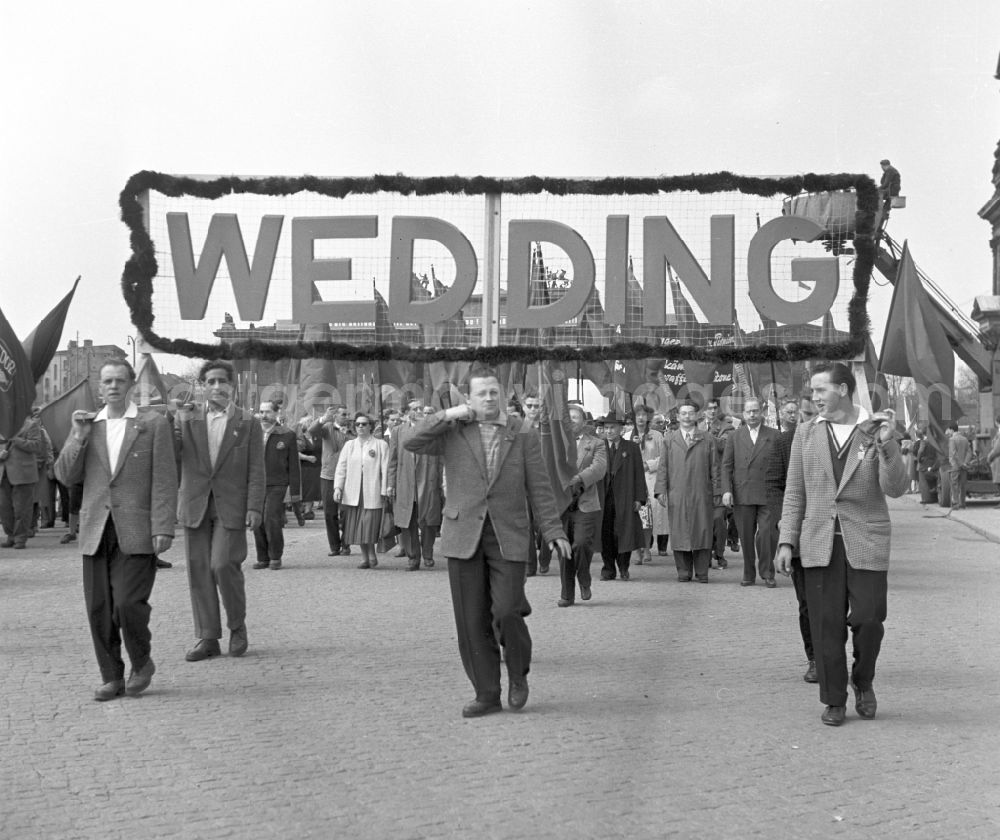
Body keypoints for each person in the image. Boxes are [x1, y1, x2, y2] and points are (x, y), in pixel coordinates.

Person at [403, 366, 570, 717]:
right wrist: (449, 414)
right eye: (482, 393)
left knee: (508, 609)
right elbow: (411, 441)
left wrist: (553, 531)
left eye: (494, 392)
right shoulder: (453, 431)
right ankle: (487, 693)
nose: (489, 398)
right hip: (463, 534)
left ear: (502, 393)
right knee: (471, 620)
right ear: (469, 397)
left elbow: (539, 487)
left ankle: (518, 674)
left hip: (508, 534)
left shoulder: (522, 432)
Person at [776, 362, 909, 727]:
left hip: (866, 539)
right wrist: (787, 540)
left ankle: (862, 681)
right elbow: (795, 493)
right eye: (813, 391)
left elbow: (895, 488)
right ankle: (834, 699)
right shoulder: (805, 434)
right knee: (825, 624)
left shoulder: (874, 429)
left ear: (844, 390)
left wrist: (887, 445)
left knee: (869, 619)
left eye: (821, 390)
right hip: (818, 542)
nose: (814, 397)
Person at [55, 359, 177, 701]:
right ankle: (111, 676)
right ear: (99, 387)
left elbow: (166, 480)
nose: (113, 387)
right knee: (98, 608)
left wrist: (163, 525)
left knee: (127, 602)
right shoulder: (87, 426)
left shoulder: (153, 424)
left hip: (137, 528)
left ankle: (142, 662)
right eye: (107, 381)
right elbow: (65, 476)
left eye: (119, 381)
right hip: (96, 528)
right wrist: (77, 438)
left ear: (130, 386)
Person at [174, 360, 265, 663]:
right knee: (199, 570)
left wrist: (254, 506)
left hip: (231, 505)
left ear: (232, 385)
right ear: (202, 386)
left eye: (222, 381)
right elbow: (170, 454)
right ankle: (208, 636)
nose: (216, 387)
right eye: (210, 382)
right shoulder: (187, 418)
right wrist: (175, 419)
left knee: (223, 564)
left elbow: (256, 468)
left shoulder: (247, 422)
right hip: (195, 503)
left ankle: (237, 626)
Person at [766, 398, 816, 683]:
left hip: (835, 534)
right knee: (807, 602)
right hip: (799, 532)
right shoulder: (786, 442)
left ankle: (835, 653)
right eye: (805, 414)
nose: (808, 418)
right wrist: (782, 520)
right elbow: (773, 485)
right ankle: (815, 658)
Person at [654, 400, 720, 582]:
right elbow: (663, 467)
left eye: (690, 413)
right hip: (678, 492)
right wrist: (661, 490)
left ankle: (702, 572)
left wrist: (717, 491)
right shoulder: (669, 439)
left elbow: (715, 467)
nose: (687, 417)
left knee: (702, 530)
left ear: (697, 415)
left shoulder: (707, 438)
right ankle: (683, 571)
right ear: (678, 417)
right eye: (683, 413)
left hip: (701, 492)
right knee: (679, 530)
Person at [722, 397, 780, 587]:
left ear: (762, 412)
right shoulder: (734, 436)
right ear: (743, 414)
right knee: (746, 536)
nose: (752, 415)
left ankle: (767, 571)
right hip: (743, 492)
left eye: (756, 411)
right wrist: (726, 491)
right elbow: (726, 466)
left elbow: (782, 465)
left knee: (767, 534)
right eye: (749, 411)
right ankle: (748, 573)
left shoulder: (774, 435)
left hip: (768, 493)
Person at [553, 403, 607, 606]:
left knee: (582, 543)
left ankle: (584, 577)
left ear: (583, 422)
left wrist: (576, 479)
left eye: (575, 417)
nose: (571, 421)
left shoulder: (596, 443)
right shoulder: (553, 444)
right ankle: (567, 594)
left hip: (585, 502)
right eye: (568, 417)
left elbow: (599, 468)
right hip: (560, 505)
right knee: (563, 549)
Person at [386, 399, 443, 570]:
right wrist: (390, 484)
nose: (418, 411)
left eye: (421, 408)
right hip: (406, 483)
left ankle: (427, 553)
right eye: (415, 408)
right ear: (406, 413)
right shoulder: (398, 432)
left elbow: (441, 459)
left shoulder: (434, 431)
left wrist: (440, 483)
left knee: (429, 522)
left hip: (428, 481)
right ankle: (413, 557)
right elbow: (393, 460)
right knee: (408, 521)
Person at [333, 412, 389, 570]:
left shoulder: (380, 445)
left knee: (368, 525)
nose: (360, 427)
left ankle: (372, 553)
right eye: (357, 424)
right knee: (357, 526)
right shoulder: (349, 445)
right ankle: (365, 557)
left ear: (370, 426)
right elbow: (341, 468)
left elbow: (385, 468)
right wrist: (338, 487)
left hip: (372, 491)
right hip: (353, 492)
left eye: (364, 424)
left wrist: (385, 489)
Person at [252, 401, 300, 571]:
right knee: (256, 521)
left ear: (276, 413)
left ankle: (275, 556)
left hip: (278, 483)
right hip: (256, 484)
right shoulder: (253, 433)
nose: (263, 415)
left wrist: (295, 491)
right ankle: (262, 557)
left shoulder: (287, 434)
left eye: (267, 412)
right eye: (261, 412)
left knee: (270, 519)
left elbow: (294, 464)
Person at [599, 414, 646, 581]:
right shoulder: (599, 446)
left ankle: (624, 567)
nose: (609, 431)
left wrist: (639, 498)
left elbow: (639, 474)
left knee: (624, 532)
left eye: (612, 427)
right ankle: (608, 568)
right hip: (603, 497)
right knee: (605, 533)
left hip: (625, 496)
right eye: (606, 428)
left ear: (621, 429)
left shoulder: (631, 448)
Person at [309, 405, 352, 556]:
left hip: (348, 477)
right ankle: (335, 546)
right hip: (328, 475)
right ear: (335, 416)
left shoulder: (353, 430)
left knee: (346, 512)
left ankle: (346, 543)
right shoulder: (327, 428)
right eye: (343, 414)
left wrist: (347, 435)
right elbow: (312, 430)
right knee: (329, 513)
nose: (346, 417)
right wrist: (322, 419)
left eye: (347, 414)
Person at [0, 408, 44, 549]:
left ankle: (20, 538)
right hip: (3, 473)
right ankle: (10, 535)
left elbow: (36, 446)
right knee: (4, 508)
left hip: (23, 474)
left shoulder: (31, 424)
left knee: (22, 509)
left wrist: (15, 439)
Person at [700, 398, 735, 568]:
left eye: (715, 408)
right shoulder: (696, 427)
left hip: (719, 483)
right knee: (704, 521)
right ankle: (705, 553)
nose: (712, 411)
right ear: (703, 410)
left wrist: (708, 436)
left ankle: (719, 553)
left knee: (718, 520)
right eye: (709, 408)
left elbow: (726, 446)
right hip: (700, 482)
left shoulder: (726, 427)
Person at [634, 406, 666, 565]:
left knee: (647, 516)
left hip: (650, 478)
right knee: (635, 516)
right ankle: (636, 549)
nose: (640, 418)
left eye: (643, 415)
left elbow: (664, 457)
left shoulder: (657, 436)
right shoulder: (628, 435)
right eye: (637, 415)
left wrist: (649, 465)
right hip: (633, 479)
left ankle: (646, 547)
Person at [946, 422, 972, 510]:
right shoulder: (965, 439)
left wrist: (960, 463)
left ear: (952, 430)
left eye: (948, 429)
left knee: (954, 484)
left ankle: (956, 503)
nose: (948, 431)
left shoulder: (952, 440)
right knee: (963, 485)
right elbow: (969, 452)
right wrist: (965, 462)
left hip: (955, 466)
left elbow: (953, 453)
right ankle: (963, 503)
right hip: (964, 466)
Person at [987, 416, 1000, 497]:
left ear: (996, 422)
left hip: (998, 459)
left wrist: (989, 457)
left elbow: (997, 449)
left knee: (999, 480)